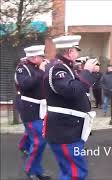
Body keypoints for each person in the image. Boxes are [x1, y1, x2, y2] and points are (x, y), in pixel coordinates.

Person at [43, 35, 99, 179]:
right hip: (65, 130)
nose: (78, 54)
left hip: (67, 129)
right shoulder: (57, 69)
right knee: (76, 172)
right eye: (76, 51)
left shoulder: (65, 67)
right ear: (69, 52)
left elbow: (79, 87)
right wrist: (86, 71)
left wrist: (83, 71)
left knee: (68, 171)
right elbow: (72, 91)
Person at [14, 45, 50, 180]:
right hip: (28, 109)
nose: (43, 59)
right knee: (38, 141)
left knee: (41, 140)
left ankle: (38, 170)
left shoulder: (38, 68)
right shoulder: (22, 68)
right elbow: (25, 85)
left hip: (40, 108)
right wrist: (41, 72)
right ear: (35, 57)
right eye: (41, 57)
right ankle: (30, 170)